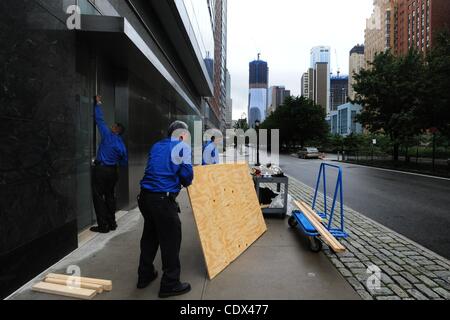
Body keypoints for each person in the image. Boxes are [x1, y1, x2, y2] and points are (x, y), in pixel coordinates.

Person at [137, 121, 194, 298]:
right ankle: (170, 283)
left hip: (145, 198)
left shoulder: (157, 145)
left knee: (150, 235)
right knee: (171, 239)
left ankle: (144, 276)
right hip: (162, 199)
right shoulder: (182, 147)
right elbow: (187, 177)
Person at [91, 95, 128, 233]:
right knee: (110, 196)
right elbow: (124, 161)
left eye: (114, 126)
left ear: (116, 130)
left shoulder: (108, 135)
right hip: (113, 172)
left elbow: (99, 120)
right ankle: (112, 223)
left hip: (101, 170)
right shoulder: (122, 145)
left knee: (98, 197)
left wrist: (98, 103)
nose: (111, 126)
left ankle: (103, 226)